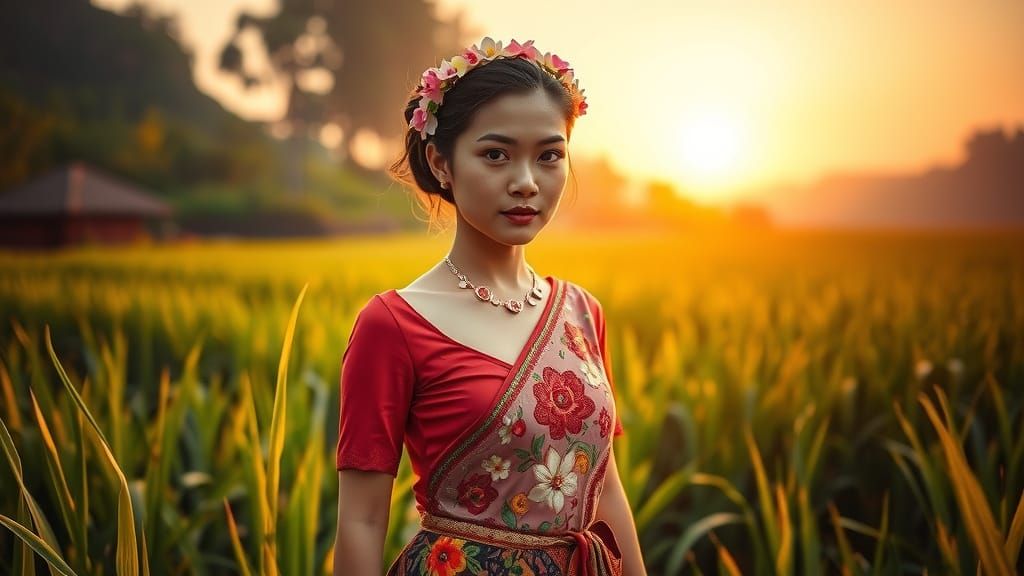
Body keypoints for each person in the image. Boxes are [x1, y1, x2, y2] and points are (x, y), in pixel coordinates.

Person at [334, 37, 646, 576]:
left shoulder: (581, 313)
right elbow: (361, 521)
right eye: (495, 154)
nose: (525, 182)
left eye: (549, 156)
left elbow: (606, 487)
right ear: (442, 162)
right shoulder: (391, 325)